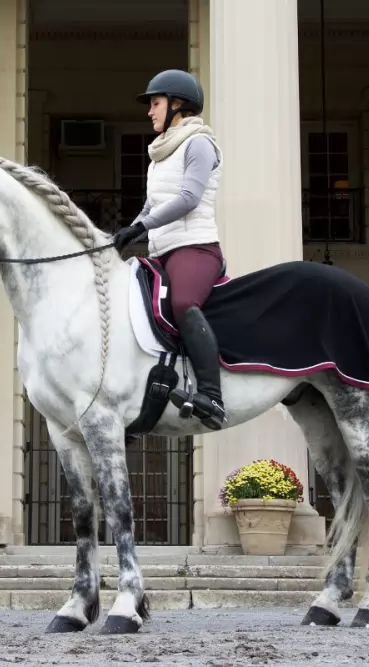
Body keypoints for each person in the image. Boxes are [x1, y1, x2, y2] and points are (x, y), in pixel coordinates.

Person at [112, 69, 227, 431]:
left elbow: (189, 198)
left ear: (178, 105)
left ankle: (212, 395)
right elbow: (152, 205)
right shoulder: (161, 153)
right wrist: (127, 231)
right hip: (162, 250)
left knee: (182, 304)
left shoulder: (199, 144)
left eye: (155, 103)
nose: (150, 111)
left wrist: (142, 226)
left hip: (195, 247)